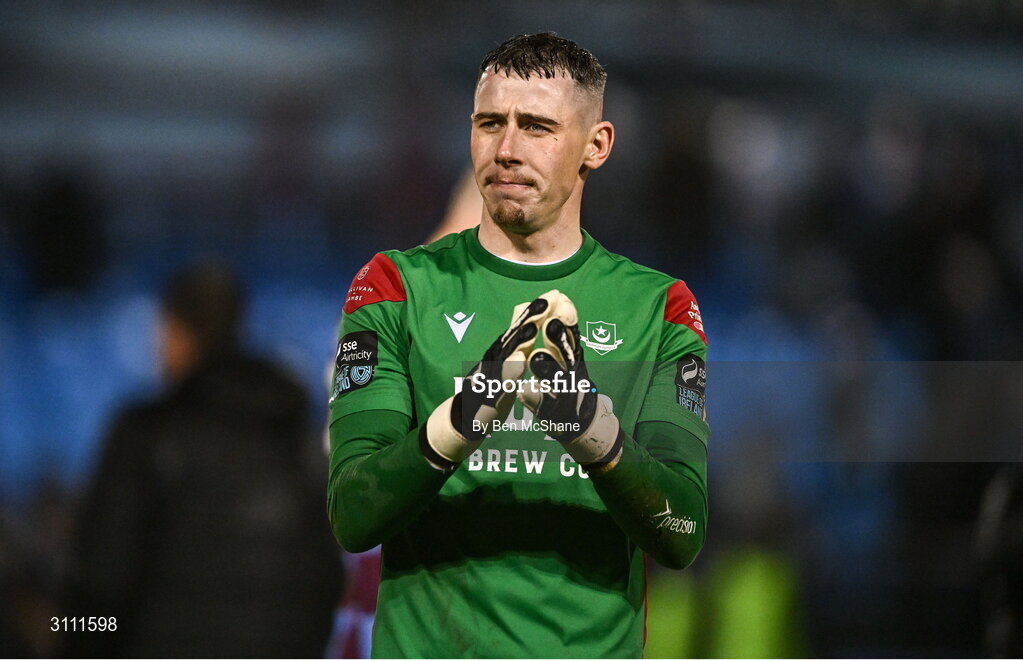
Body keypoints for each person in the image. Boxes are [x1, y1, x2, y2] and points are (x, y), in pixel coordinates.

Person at [327, 33, 709, 658]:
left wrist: (592, 433)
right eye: (488, 123)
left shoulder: (661, 307)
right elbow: (353, 516)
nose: (506, 149)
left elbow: (682, 532)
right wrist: (469, 411)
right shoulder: (393, 286)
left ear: (597, 145)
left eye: (536, 127)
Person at [67, 262, 342, 658]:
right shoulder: (293, 433)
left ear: (175, 331)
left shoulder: (147, 435)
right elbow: (327, 574)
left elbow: (101, 583)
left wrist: (72, 639)